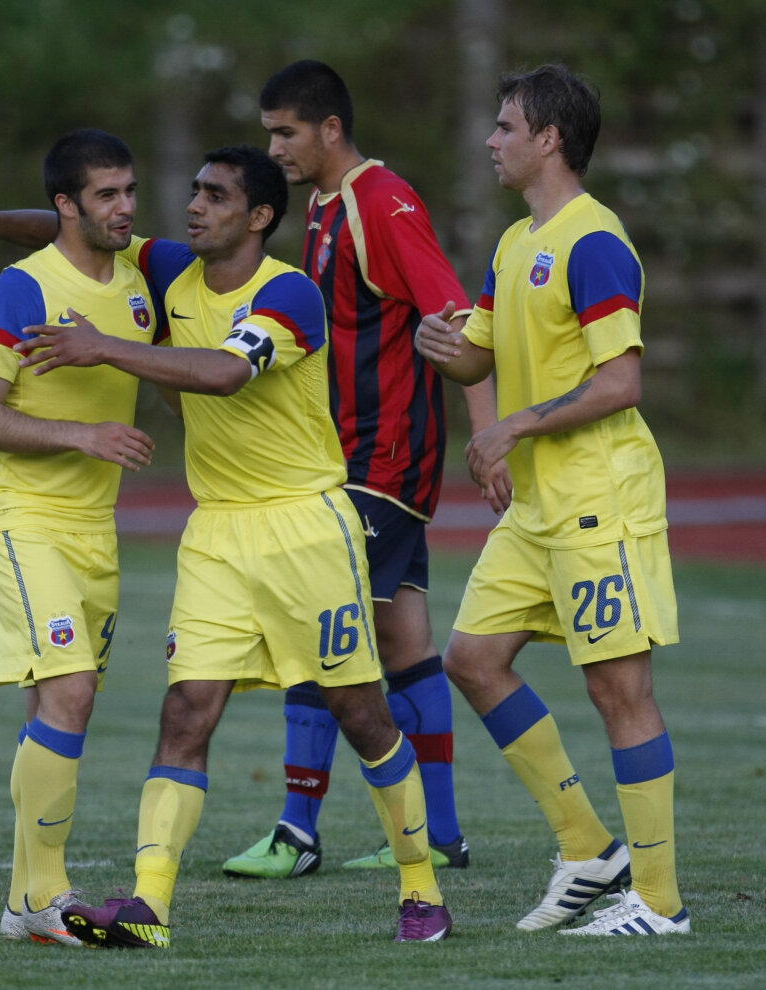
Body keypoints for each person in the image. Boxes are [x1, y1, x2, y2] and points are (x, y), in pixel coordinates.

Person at [25, 145, 452, 947]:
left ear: (259, 216)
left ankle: (422, 890)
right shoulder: (170, 266)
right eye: (192, 191)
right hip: (216, 530)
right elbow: (81, 224)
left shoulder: (289, 292)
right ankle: (150, 909)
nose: (193, 206)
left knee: (361, 712)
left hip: (305, 529)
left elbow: (224, 373)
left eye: (216, 196)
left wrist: (105, 347)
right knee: (186, 710)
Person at [414, 64, 689, 936]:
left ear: (549, 140)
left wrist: (513, 427)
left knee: (618, 690)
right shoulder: (512, 243)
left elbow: (623, 380)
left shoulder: (593, 241)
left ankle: (660, 903)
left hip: (601, 497)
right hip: (536, 506)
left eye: (505, 127)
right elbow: (479, 356)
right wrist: (439, 345)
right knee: (471, 659)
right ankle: (585, 848)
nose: (491, 140)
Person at [221, 58, 510, 880]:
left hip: (379, 464)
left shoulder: (381, 202)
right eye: (271, 131)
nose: (274, 146)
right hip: (352, 460)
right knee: (402, 642)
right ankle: (441, 833)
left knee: (320, 635)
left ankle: (297, 830)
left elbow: (458, 323)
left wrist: (484, 437)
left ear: (331, 129)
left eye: (286, 132)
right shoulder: (322, 207)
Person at [0, 129, 159, 945]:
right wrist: (82, 436)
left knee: (62, 703)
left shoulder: (141, 288)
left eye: (130, 192)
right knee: (69, 690)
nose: (125, 208)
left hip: (92, 532)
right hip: (19, 519)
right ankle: (48, 897)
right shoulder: (22, 288)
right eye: (107, 194)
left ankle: (23, 906)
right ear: (66, 205)